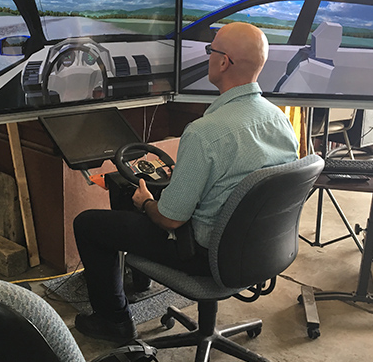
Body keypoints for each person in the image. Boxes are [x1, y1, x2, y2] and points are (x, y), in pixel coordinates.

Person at [72, 22, 300, 343]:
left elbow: (170, 219)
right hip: (260, 251)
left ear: (223, 62)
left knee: (89, 224)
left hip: (203, 256)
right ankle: (137, 289)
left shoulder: (204, 132)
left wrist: (146, 203)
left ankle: (115, 321)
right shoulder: (281, 120)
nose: (208, 56)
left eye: (211, 50)